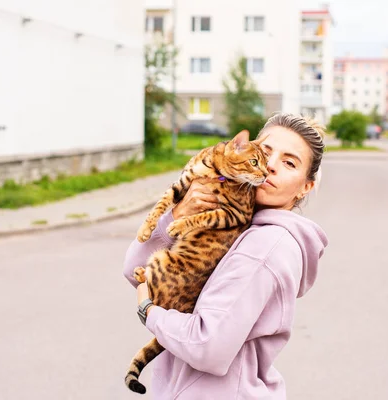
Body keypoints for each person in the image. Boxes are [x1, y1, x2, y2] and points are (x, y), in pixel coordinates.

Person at [123, 113, 329, 399]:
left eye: (289, 162)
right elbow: (135, 268)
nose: (269, 167)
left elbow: (207, 347)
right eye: (266, 153)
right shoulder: (235, 224)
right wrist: (179, 213)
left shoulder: (265, 247)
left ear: (306, 186)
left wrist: (150, 312)